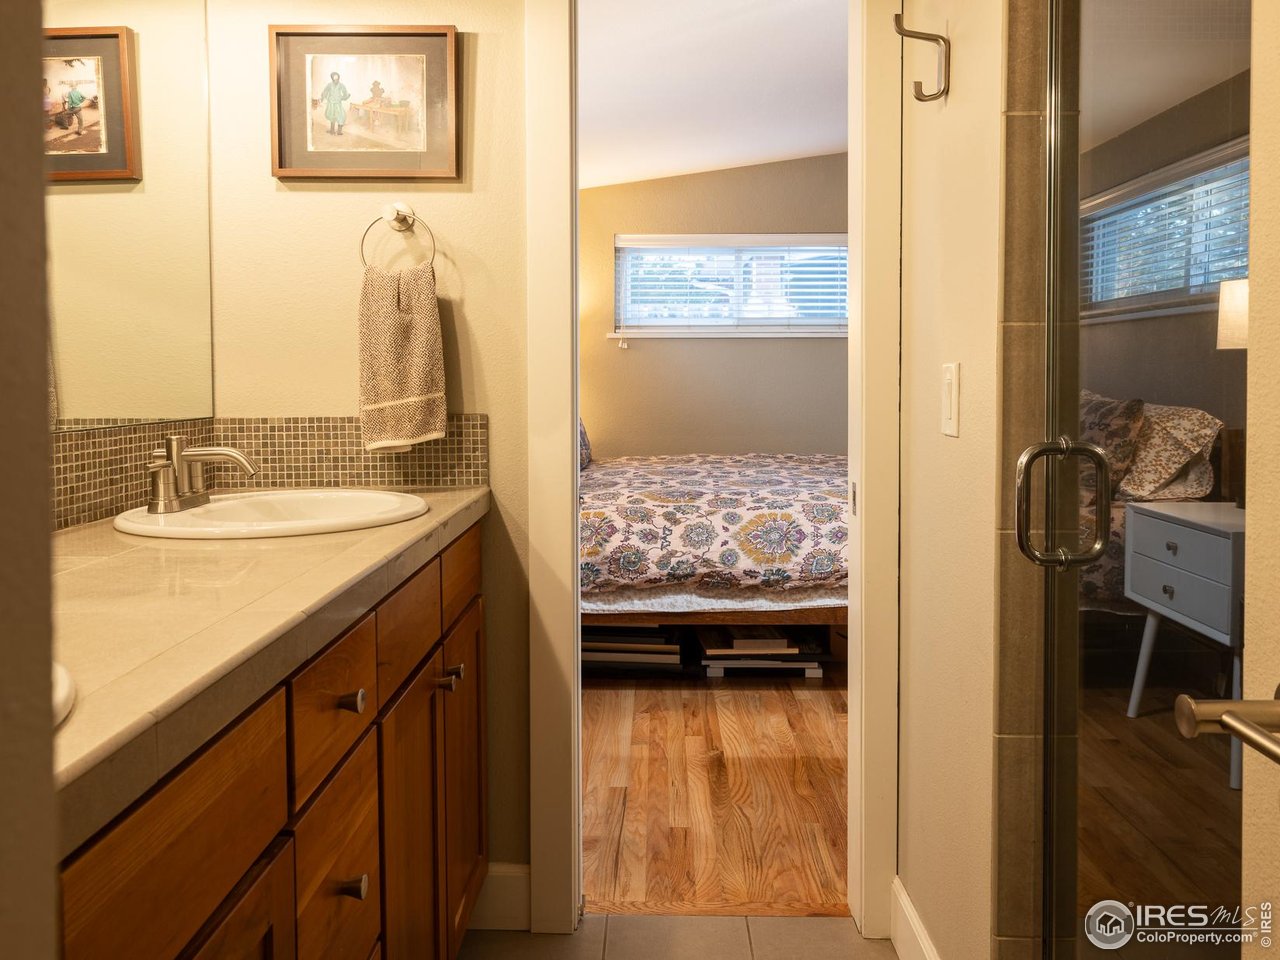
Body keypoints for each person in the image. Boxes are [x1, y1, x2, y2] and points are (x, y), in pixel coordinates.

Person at [319, 71, 350, 136]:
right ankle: (332, 130)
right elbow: (325, 91)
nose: (336, 80)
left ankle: (339, 131)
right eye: (335, 79)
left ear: (339, 78)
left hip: (338, 103)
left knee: (341, 116)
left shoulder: (341, 85)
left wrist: (345, 96)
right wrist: (322, 98)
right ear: (332, 79)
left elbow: (345, 93)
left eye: (337, 79)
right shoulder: (329, 85)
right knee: (332, 116)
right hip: (331, 103)